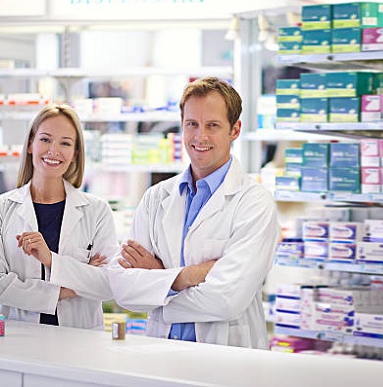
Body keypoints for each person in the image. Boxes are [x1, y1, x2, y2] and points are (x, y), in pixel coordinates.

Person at [108, 77, 280, 348]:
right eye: (192, 124)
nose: (200, 136)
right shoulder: (156, 197)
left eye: (213, 125)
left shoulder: (254, 203)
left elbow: (227, 299)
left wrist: (158, 282)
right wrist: (186, 277)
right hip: (162, 352)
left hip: (225, 359)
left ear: (234, 130)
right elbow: (122, 288)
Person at [0, 104, 118, 330]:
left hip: (80, 343)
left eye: (65, 143)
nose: (53, 150)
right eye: (45, 140)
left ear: (75, 154)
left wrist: (51, 260)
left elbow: (108, 284)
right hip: (19, 340)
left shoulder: (96, 211)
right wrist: (69, 289)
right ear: (31, 144)